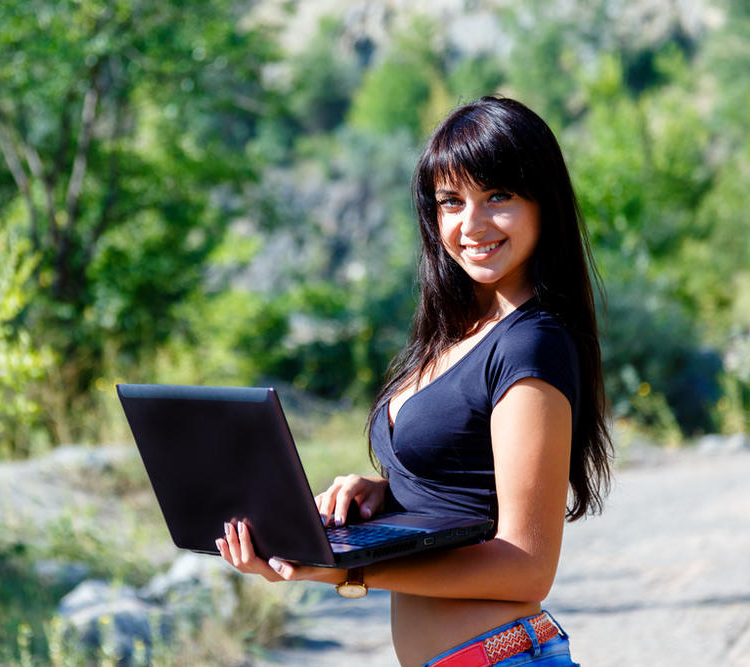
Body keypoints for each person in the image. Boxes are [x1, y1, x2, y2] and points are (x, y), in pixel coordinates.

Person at [216, 96, 613, 666]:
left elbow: (526, 567)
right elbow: (466, 485)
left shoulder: (533, 343)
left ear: (542, 203)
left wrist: (344, 568)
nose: (470, 225)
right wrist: (387, 495)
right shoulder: (457, 334)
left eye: (496, 196)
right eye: (451, 201)